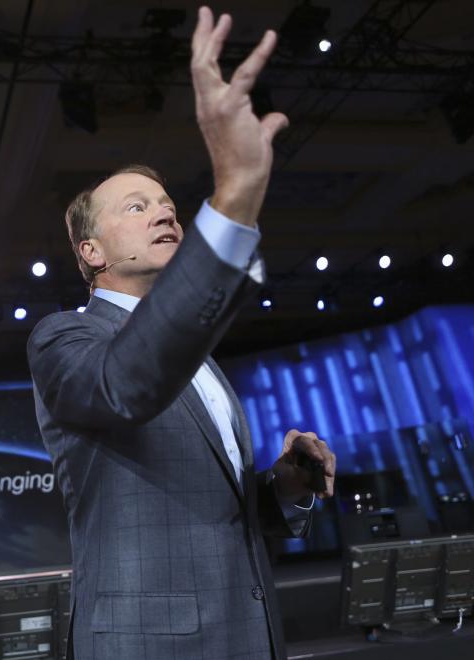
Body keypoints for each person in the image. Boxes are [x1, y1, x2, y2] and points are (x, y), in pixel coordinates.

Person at [27, 7, 337, 660]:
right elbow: (126, 386)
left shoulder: (203, 359)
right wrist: (233, 194)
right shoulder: (63, 342)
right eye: (135, 207)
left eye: (166, 204)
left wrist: (285, 486)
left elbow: (218, 517)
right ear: (90, 250)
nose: (163, 211)